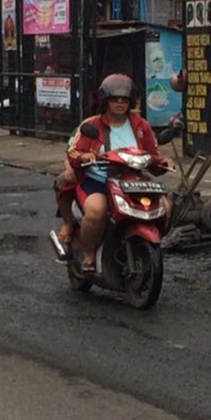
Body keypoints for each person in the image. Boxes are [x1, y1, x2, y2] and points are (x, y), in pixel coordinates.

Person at [68, 74, 174, 273]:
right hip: (98, 181)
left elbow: (153, 156)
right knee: (96, 211)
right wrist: (84, 157)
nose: (119, 103)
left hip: (134, 180)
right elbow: (73, 151)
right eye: (114, 98)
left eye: (124, 99)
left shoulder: (141, 126)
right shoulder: (91, 125)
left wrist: (163, 162)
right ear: (105, 101)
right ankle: (89, 255)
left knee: (165, 208)